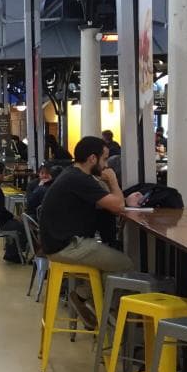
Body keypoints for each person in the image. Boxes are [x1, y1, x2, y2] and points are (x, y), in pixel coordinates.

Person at [38, 136, 144, 328]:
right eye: (104, 160)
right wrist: (113, 181)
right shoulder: (80, 179)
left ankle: (84, 297)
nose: (105, 166)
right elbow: (117, 205)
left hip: (57, 242)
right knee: (125, 264)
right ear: (92, 159)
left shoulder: (73, 175)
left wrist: (122, 200)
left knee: (108, 261)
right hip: (67, 246)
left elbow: (107, 202)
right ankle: (107, 315)